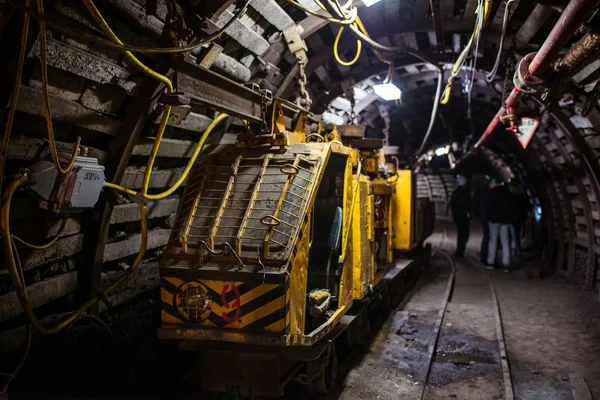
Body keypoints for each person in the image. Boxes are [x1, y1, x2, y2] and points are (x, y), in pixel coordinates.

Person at [486, 177, 515, 270]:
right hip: (505, 221)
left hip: (494, 220)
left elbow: (489, 206)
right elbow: (511, 207)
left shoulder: (492, 193)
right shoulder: (508, 194)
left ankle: (490, 262)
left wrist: (488, 216)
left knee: (493, 241)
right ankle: (506, 263)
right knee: (505, 242)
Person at [450, 174, 472, 258]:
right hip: (464, 218)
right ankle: (460, 251)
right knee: (464, 234)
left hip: (457, 217)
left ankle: (459, 250)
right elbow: (468, 206)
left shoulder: (455, 193)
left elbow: (452, 205)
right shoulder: (465, 193)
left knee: (460, 234)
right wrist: (469, 215)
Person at [509, 178, 529, 261]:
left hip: (513, 219)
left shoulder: (511, 197)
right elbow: (526, 208)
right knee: (517, 237)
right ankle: (517, 253)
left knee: (514, 237)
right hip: (520, 219)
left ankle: (517, 254)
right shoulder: (523, 197)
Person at [472, 177, 491, 263]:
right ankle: (486, 253)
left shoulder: (480, 192)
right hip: (490, 217)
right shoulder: (491, 192)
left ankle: (484, 252)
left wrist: (476, 213)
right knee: (489, 235)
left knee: (486, 234)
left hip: (483, 216)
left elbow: (475, 203)